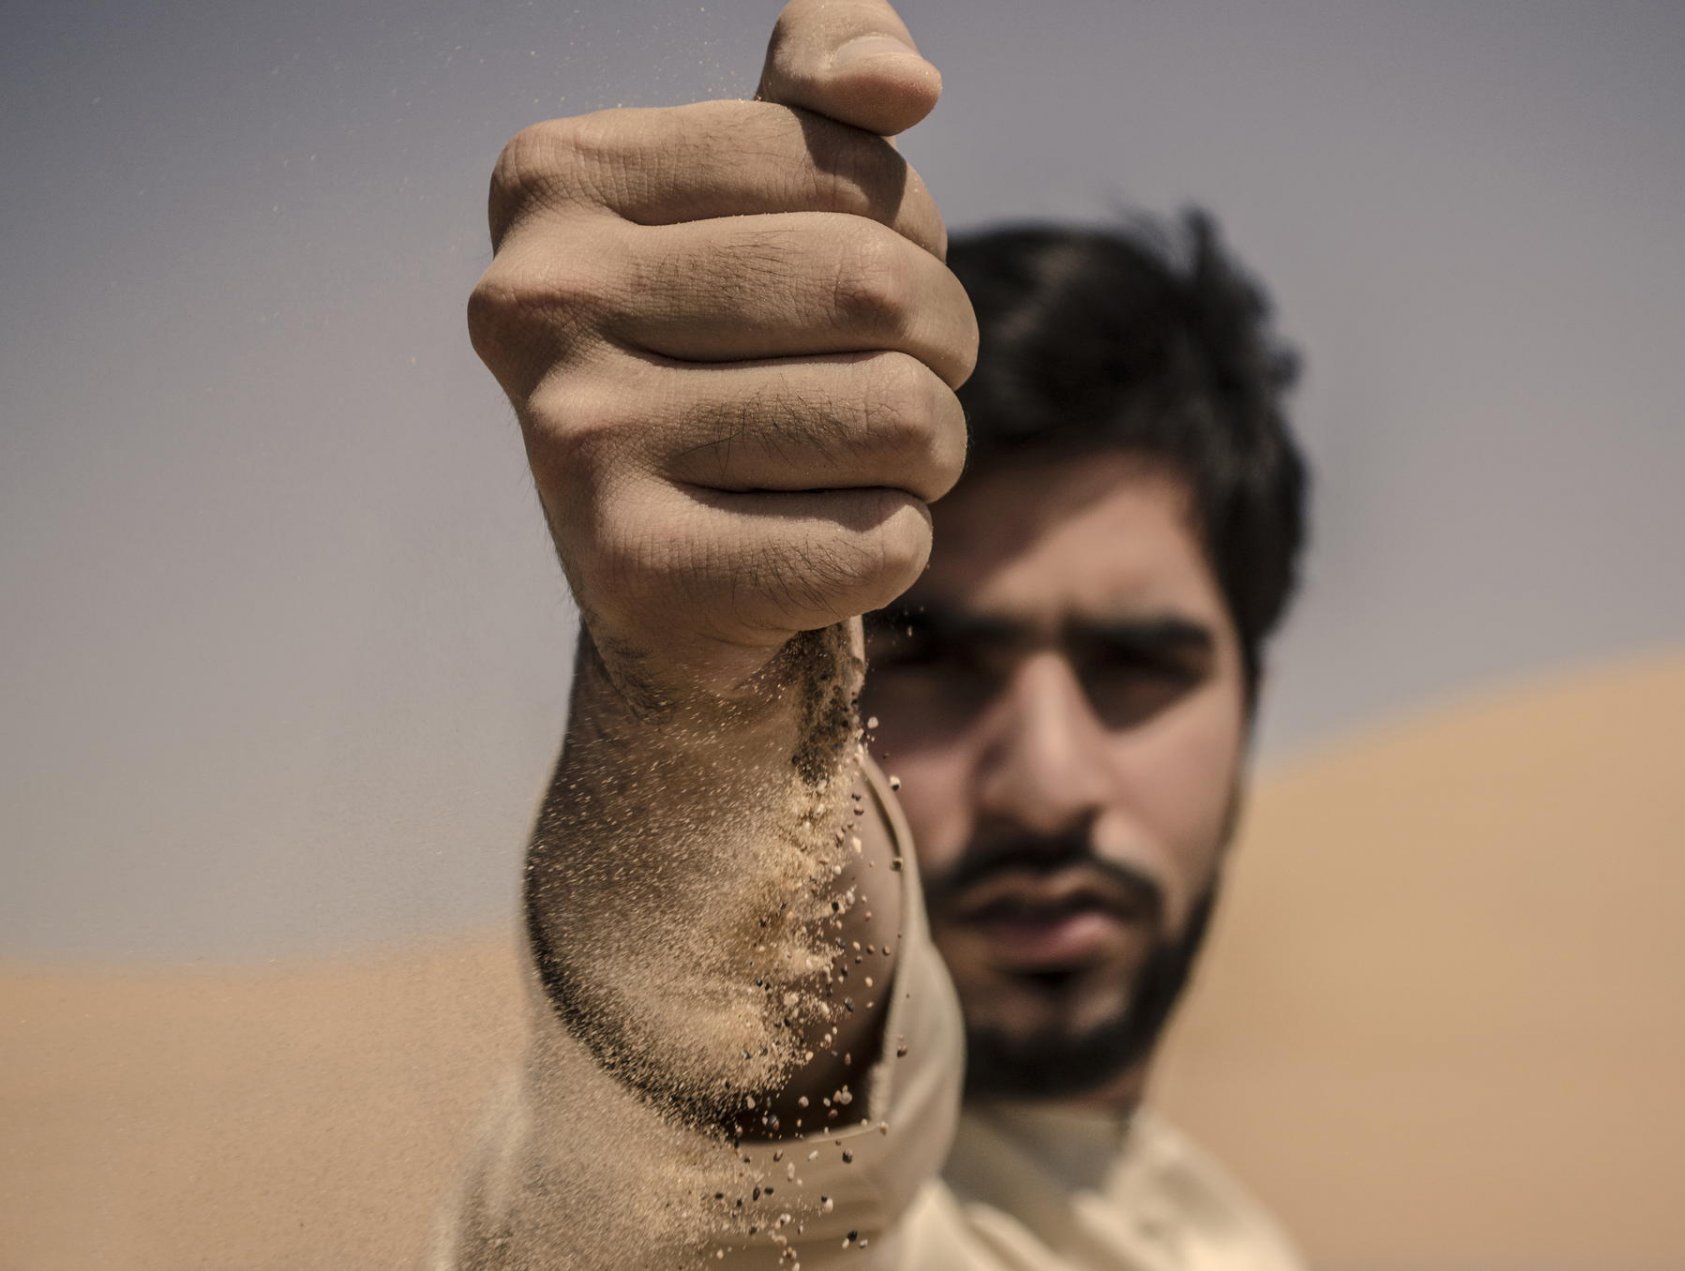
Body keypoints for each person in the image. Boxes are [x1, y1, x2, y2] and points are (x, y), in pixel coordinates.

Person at [441, 2, 1309, 1266]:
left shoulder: (1228, 1234)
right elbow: (715, 1149)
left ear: (1249, 706)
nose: (1049, 783)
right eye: (936, 658)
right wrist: (711, 704)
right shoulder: (770, 1214)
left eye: (1135, 667)